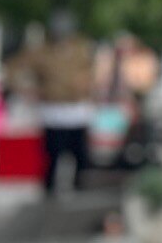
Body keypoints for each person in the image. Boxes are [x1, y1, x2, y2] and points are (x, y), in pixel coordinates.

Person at [6, 11, 98, 200]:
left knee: (79, 153)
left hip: (77, 108)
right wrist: (26, 90)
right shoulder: (42, 51)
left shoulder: (82, 48)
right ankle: (49, 189)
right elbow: (15, 67)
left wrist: (88, 85)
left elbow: (93, 71)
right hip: (53, 108)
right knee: (52, 154)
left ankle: (79, 186)